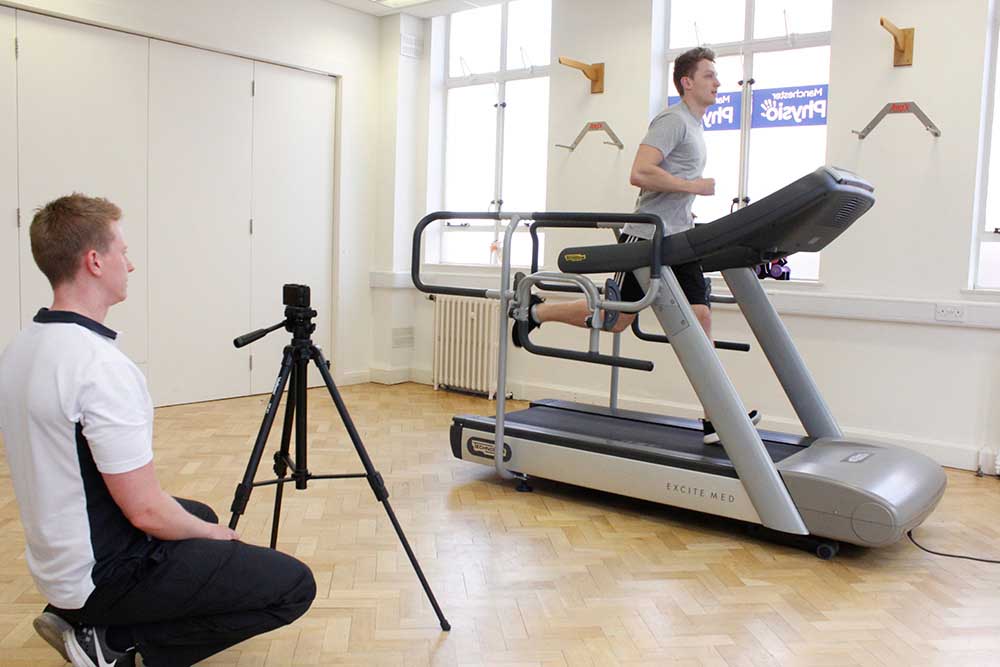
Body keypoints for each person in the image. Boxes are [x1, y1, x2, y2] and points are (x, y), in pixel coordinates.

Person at [0, 194, 316, 667]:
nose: (129, 264)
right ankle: (118, 643)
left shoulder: (24, 346)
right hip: (98, 575)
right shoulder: (99, 366)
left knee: (196, 512)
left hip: (57, 563)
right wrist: (215, 536)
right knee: (292, 586)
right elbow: (146, 511)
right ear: (94, 261)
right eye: (122, 252)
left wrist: (198, 525)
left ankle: (79, 618)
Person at [512, 46, 759, 444]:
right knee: (617, 319)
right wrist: (694, 186)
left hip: (680, 238)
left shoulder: (696, 126)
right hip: (647, 238)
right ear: (687, 82)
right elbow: (640, 172)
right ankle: (537, 310)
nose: (718, 82)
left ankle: (717, 416)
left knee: (702, 318)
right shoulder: (673, 120)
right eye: (710, 74)